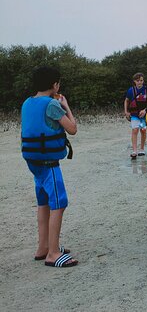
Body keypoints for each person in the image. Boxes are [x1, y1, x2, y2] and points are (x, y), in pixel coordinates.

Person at [21, 66, 78, 268]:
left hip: (33, 162)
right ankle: (53, 253)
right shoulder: (52, 104)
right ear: (54, 85)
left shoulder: (27, 103)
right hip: (49, 163)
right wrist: (66, 105)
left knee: (43, 202)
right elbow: (72, 129)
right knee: (59, 202)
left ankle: (43, 246)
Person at [124, 72, 147, 159]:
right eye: (138, 81)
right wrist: (126, 112)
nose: (140, 82)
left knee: (143, 130)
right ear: (134, 81)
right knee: (135, 130)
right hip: (134, 115)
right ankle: (134, 150)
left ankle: (142, 149)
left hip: (143, 116)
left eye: (141, 80)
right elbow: (126, 101)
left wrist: (145, 110)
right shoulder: (130, 90)